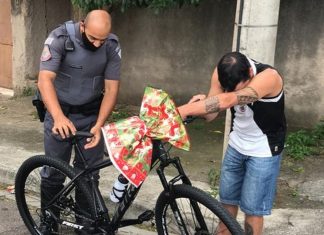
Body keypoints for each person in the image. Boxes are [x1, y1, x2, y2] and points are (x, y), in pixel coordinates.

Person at [178, 51, 286, 235]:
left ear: (250, 75)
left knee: (253, 211)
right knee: (226, 205)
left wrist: (181, 110)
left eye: (236, 89)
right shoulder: (223, 72)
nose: (230, 92)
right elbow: (212, 113)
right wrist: (199, 106)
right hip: (236, 146)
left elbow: (228, 100)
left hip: (263, 152)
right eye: (227, 88)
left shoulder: (269, 77)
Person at [37, 9, 121, 232]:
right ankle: (48, 221)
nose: (96, 44)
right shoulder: (60, 39)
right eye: (93, 38)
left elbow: (112, 88)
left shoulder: (111, 45)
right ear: (82, 25)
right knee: (54, 170)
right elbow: (45, 79)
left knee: (89, 173)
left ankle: (85, 224)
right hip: (60, 113)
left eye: (101, 40)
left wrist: (100, 124)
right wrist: (58, 117)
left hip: (91, 114)